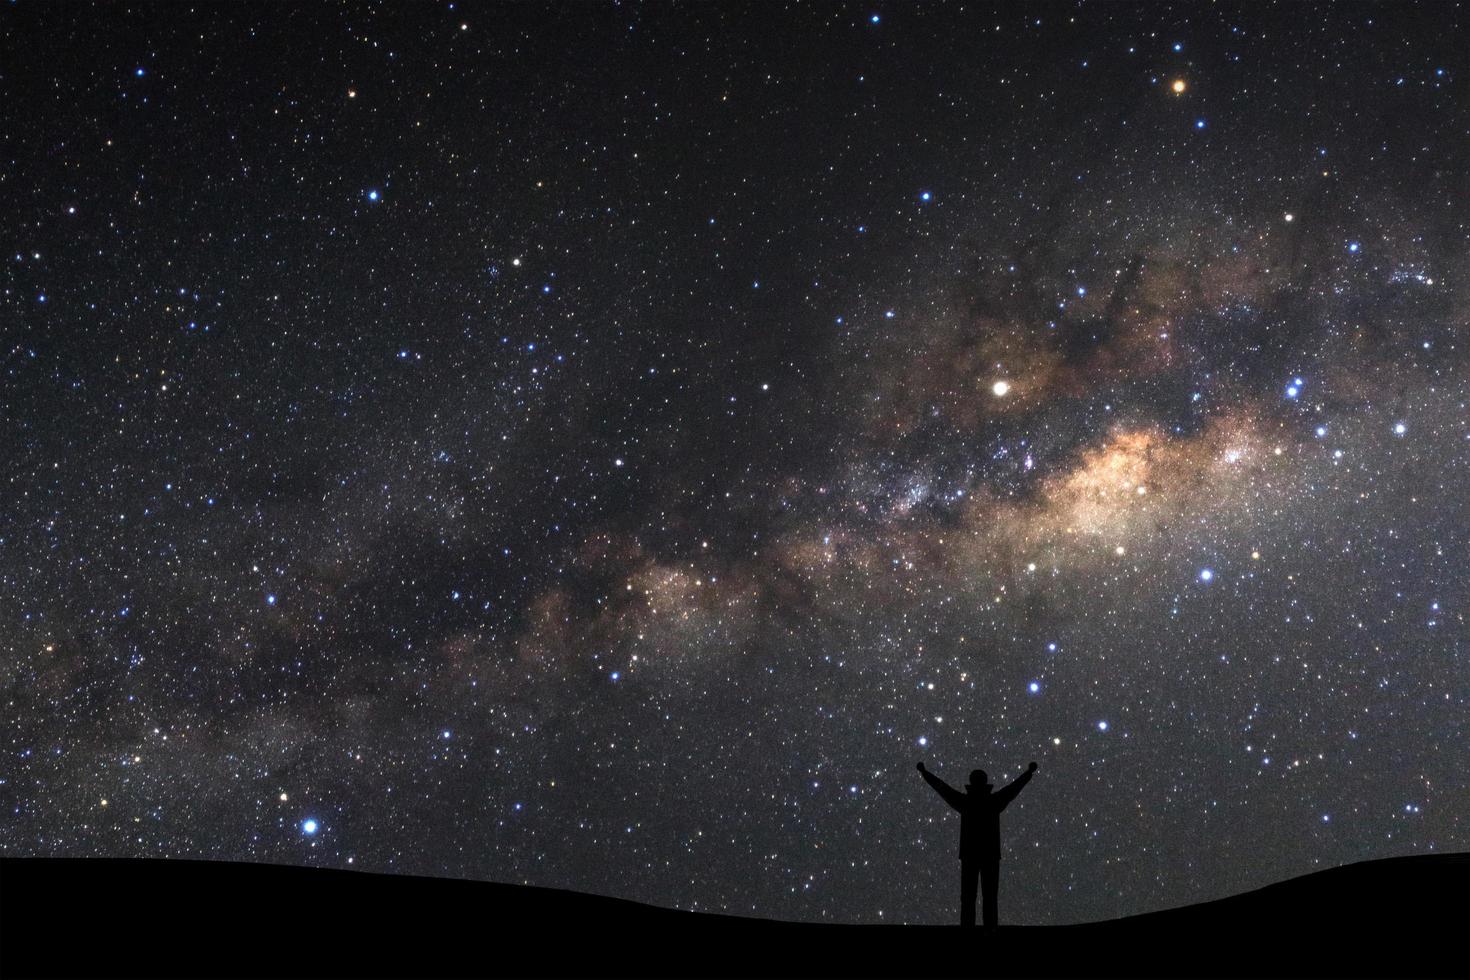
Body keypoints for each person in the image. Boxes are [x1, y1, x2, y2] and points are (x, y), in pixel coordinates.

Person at [917, 759, 1037, 927]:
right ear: (985, 782)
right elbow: (1012, 789)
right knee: (989, 897)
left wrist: (925, 773)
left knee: (968, 897)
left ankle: (968, 928)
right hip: (990, 854)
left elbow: (943, 789)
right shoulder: (994, 802)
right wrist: (1028, 774)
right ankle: (990, 928)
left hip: (969, 854)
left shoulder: (965, 802)